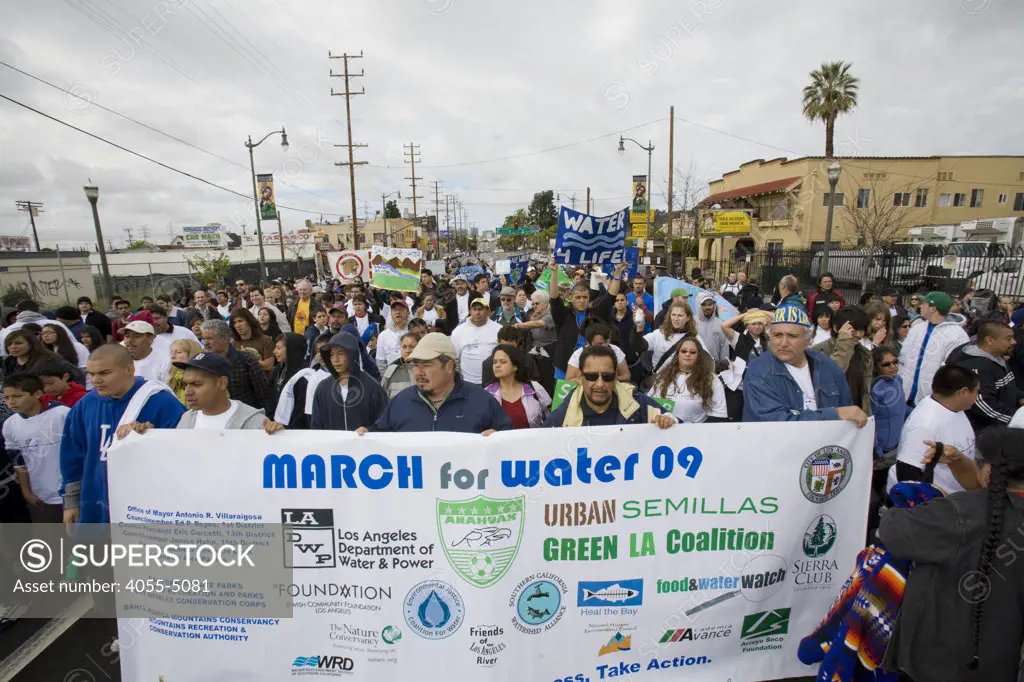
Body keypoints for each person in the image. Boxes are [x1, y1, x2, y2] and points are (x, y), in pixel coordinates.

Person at [878, 425, 1024, 681]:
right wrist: (960, 464)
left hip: (945, 657)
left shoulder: (959, 514)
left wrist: (940, 500)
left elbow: (893, 530)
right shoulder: (970, 511)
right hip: (1005, 659)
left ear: (988, 471)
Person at [60, 344, 185, 524]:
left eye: (104, 373)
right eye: (92, 374)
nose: (96, 380)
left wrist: (151, 437)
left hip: (144, 505)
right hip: (94, 500)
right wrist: (71, 502)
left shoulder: (162, 403)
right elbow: (72, 456)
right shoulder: (86, 404)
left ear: (129, 369)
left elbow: (182, 454)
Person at [361, 332, 513, 434]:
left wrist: (498, 440)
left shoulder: (482, 402)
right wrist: (365, 435)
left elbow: (510, 446)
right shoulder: (400, 402)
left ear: (449, 367)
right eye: (415, 364)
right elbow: (379, 436)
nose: (418, 372)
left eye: (426, 365)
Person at [742, 305, 867, 425]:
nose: (784, 343)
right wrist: (833, 414)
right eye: (778, 335)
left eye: (792, 336)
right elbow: (776, 423)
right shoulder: (758, 372)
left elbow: (847, 410)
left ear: (808, 339)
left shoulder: (828, 366)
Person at [886, 364, 980, 495]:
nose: (978, 396)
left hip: (963, 495)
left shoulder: (954, 407)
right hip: (943, 504)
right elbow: (908, 476)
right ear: (963, 392)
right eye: (977, 391)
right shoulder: (924, 424)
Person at [543, 345, 677, 428]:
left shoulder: (636, 402)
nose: (600, 384)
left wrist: (669, 420)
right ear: (580, 377)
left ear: (616, 377)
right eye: (592, 376)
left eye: (607, 377)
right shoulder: (565, 413)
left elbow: (679, 427)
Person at [4, 373, 69, 523]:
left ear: (38, 394)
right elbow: (19, 462)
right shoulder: (10, 425)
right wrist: (26, 491)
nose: (11, 402)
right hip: (41, 494)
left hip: (70, 491)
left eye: (18, 396)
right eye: (7, 398)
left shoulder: (62, 414)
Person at [946, 320, 1022, 433]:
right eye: (1008, 338)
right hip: (984, 433)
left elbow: (1008, 387)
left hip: (1001, 427)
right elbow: (983, 406)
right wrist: (1016, 419)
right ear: (990, 340)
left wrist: (1020, 398)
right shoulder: (976, 368)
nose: (1014, 342)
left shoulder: (997, 356)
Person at [900, 291, 970, 407]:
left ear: (932, 308)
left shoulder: (957, 335)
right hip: (905, 397)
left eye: (924, 303)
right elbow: (903, 356)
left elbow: (952, 370)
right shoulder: (917, 328)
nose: (920, 306)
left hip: (932, 402)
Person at [310, 332, 388, 431]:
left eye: (340, 353)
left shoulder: (373, 387)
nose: (335, 359)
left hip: (363, 446)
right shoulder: (323, 388)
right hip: (332, 446)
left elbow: (384, 424)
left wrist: (369, 430)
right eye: (331, 354)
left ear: (352, 355)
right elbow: (316, 427)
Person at [173, 352, 268, 430]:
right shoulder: (187, 419)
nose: (187, 392)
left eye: (197, 384)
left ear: (222, 383)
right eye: (185, 385)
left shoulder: (254, 422)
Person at [648, 335, 728, 423]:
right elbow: (651, 405)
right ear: (678, 354)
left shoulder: (711, 379)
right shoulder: (663, 376)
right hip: (664, 430)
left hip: (695, 433)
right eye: (683, 351)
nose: (687, 354)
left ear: (699, 356)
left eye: (692, 352)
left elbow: (718, 414)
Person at [812, 307, 873, 417]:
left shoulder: (865, 354)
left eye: (862, 330)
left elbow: (865, 392)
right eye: (854, 329)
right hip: (829, 416)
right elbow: (830, 379)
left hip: (857, 417)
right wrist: (844, 344)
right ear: (836, 328)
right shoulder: (817, 352)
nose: (859, 335)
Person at [200, 320, 271, 410]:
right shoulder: (201, 363)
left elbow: (264, 394)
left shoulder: (246, 360)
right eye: (204, 338)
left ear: (225, 338)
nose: (205, 343)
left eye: (210, 338)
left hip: (245, 416)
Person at [484, 344, 551, 428]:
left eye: (503, 362)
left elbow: (549, 418)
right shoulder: (486, 394)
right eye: (495, 362)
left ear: (515, 366)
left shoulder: (534, 388)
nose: (497, 365)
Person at [633, 301, 700, 371]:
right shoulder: (659, 334)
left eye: (680, 315)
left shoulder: (695, 338)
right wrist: (638, 329)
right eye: (673, 315)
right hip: (660, 379)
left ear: (688, 318)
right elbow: (638, 345)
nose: (676, 319)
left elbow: (708, 361)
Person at [451, 297, 502, 385]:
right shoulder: (458, 331)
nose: (477, 313)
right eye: (474, 309)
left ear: (488, 311)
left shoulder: (499, 329)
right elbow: (454, 358)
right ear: (470, 311)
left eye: (481, 309)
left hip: (493, 381)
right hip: (468, 383)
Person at [871, 345, 907, 461]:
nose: (893, 366)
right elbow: (870, 421)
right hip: (881, 453)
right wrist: (877, 450)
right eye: (886, 364)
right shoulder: (874, 389)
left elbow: (901, 407)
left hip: (898, 446)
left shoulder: (898, 379)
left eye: (895, 362)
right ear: (875, 367)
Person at [268, 333, 312, 429]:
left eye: (279, 348)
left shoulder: (305, 376)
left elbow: (301, 410)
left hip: (294, 430)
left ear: (291, 350)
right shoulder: (278, 369)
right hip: (276, 426)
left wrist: (287, 428)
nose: (274, 351)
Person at [566, 321, 631, 383]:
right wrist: (587, 381)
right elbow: (569, 379)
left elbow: (627, 376)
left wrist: (610, 380)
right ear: (588, 343)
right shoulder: (578, 355)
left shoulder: (616, 350)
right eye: (599, 344)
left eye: (606, 342)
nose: (604, 346)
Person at [121, 320, 170, 385]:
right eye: (127, 336)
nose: (130, 340)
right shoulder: (120, 361)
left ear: (150, 339)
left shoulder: (165, 362)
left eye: (137, 336)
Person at [229, 308, 275, 372]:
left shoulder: (266, 340)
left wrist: (244, 358)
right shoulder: (233, 343)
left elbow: (268, 366)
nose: (237, 325)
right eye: (234, 323)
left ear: (249, 321)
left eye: (240, 321)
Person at [375, 300, 412, 375]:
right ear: (391, 313)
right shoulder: (383, 335)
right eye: (395, 309)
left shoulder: (413, 332)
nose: (398, 312)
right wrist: (388, 381)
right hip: (392, 380)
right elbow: (381, 363)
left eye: (401, 309)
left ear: (408, 312)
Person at [694, 291, 730, 364]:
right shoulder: (691, 323)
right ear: (699, 306)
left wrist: (724, 366)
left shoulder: (721, 324)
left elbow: (724, 348)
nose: (707, 307)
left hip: (715, 367)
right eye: (704, 305)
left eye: (710, 304)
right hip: (694, 366)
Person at [381, 332, 418, 400]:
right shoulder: (391, 369)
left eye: (412, 347)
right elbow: (382, 396)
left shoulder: (427, 369)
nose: (407, 351)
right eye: (404, 347)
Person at [167, 339, 204, 405]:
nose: (172, 356)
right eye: (171, 352)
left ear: (192, 354)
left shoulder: (205, 378)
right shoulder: (172, 378)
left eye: (178, 352)